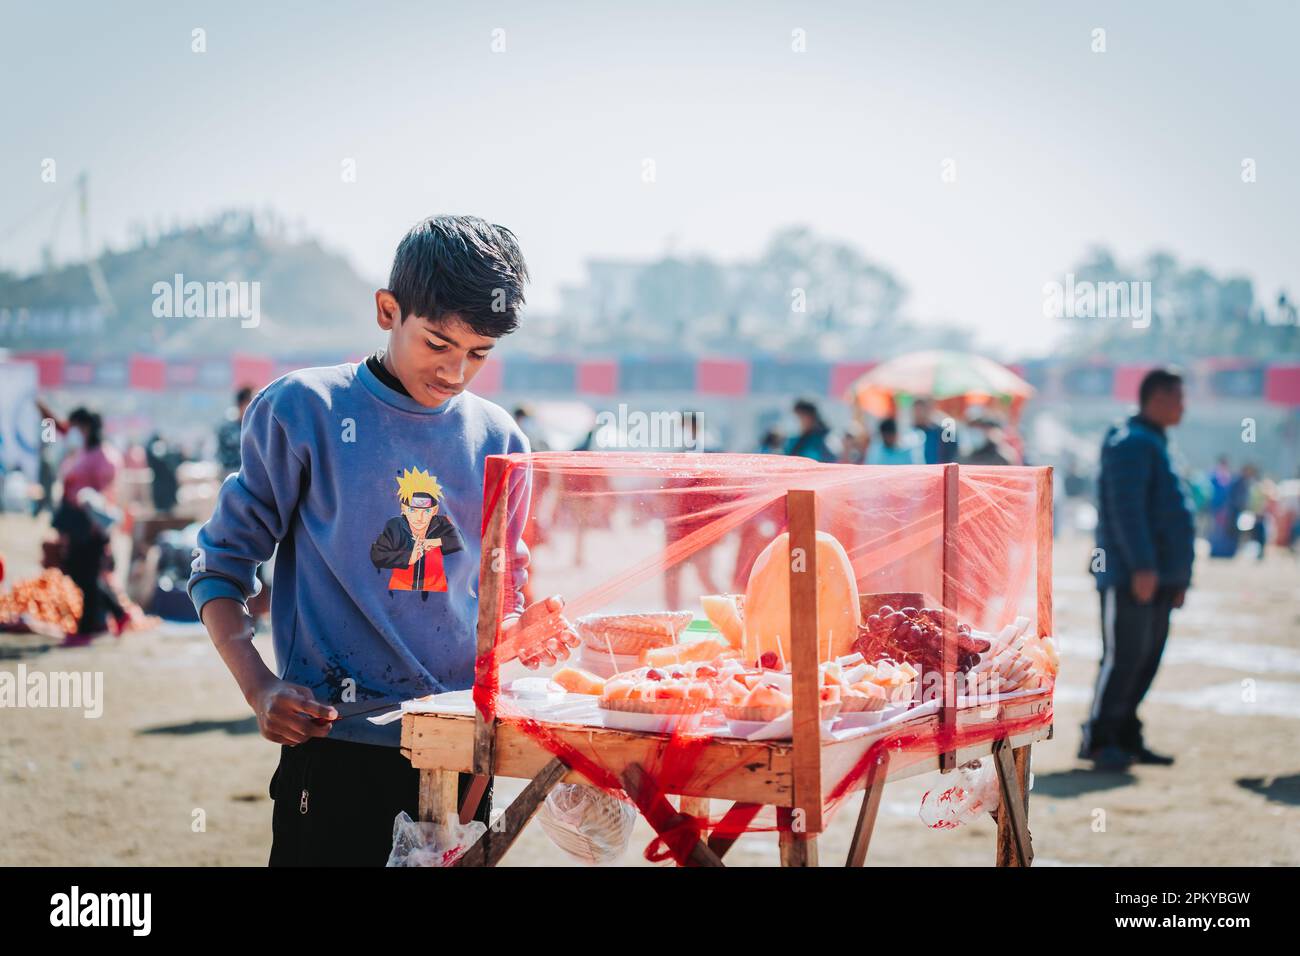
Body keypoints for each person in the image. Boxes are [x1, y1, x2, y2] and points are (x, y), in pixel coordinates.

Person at [188, 216, 579, 866]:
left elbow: (497, 601)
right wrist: (259, 687)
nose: (455, 371)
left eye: (479, 353)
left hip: (462, 750)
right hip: (339, 748)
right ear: (387, 311)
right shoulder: (304, 411)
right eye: (437, 343)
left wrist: (523, 631)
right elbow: (218, 567)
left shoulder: (502, 442)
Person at [1081, 368, 1194, 771]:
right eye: (1178, 399)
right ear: (1157, 399)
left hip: (1160, 577)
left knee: (1147, 658)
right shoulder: (1129, 442)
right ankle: (1100, 739)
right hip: (1132, 575)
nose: (1183, 407)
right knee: (1124, 657)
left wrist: (1177, 577)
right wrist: (1143, 566)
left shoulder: (1155, 441)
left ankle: (1127, 735)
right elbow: (1125, 512)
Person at [215, 386, 255, 477]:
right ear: (241, 405)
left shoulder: (256, 428)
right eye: (250, 403)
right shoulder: (227, 429)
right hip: (232, 475)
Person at [912, 398, 955, 465]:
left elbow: (951, 454)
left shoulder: (940, 432)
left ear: (927, 411)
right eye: (915, 411)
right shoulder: (911, 433)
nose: (917, 414)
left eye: (919, 410)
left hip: (937, 469)